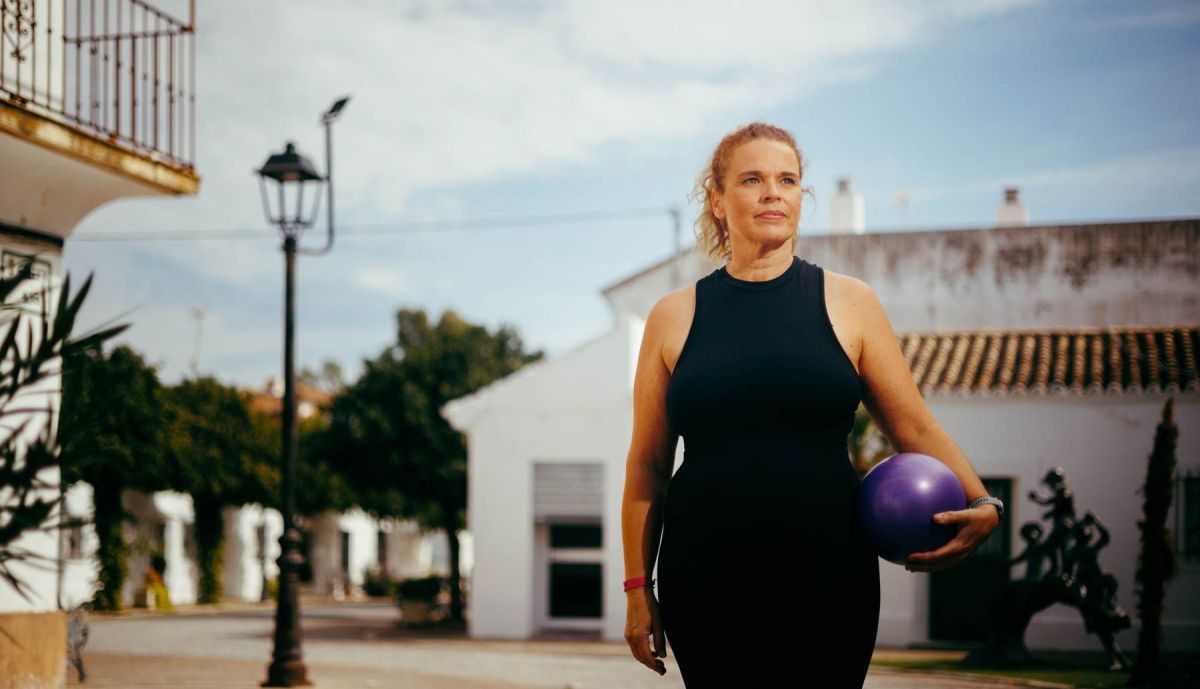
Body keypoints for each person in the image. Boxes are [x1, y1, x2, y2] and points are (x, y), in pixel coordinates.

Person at [620, 122, 1001, 687]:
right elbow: (647, 465)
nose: (774, 192)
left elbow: (913, 425)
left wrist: (983, 501)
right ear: (718, 201)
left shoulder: (852, 302)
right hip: (705, 572)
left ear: (802, 197)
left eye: (788, 180)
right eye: (752, 179)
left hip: (829, 568)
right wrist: (637, 590)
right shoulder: (671, 316)